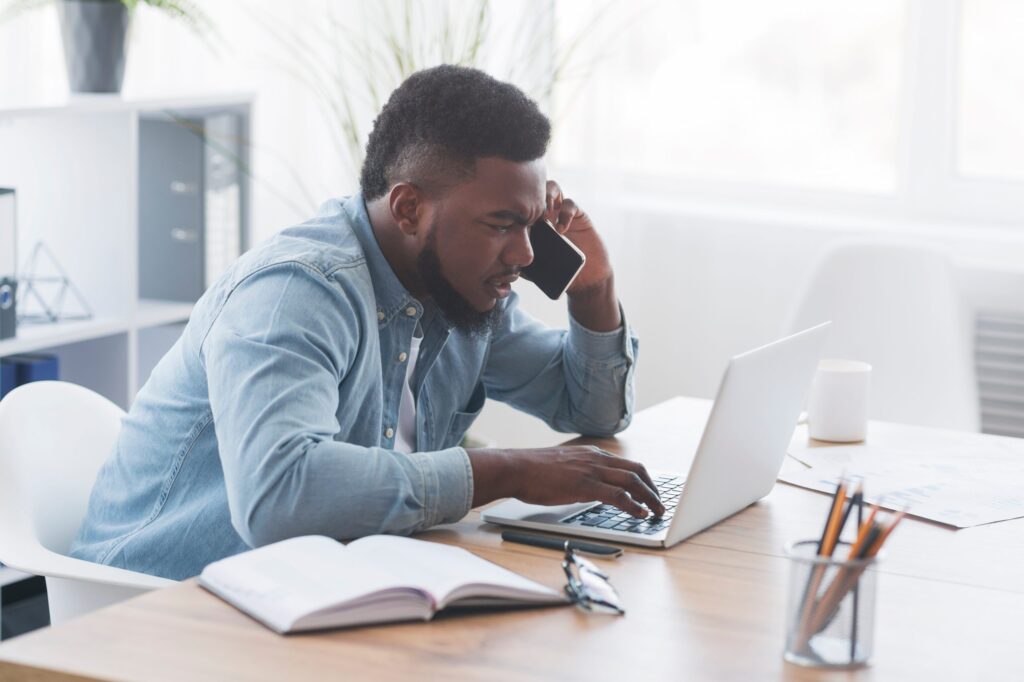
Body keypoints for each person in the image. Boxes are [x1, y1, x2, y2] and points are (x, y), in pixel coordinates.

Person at [71, 65, 662, 580]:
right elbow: (280, 494)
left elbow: (592, 411)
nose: (526, 255)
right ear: (408, 207)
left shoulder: (463, 294)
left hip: (318, 587)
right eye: (501, 223)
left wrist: (594, 289)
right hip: (161, 605)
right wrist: (506, 471)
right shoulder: (295, 291)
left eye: (531, 224)